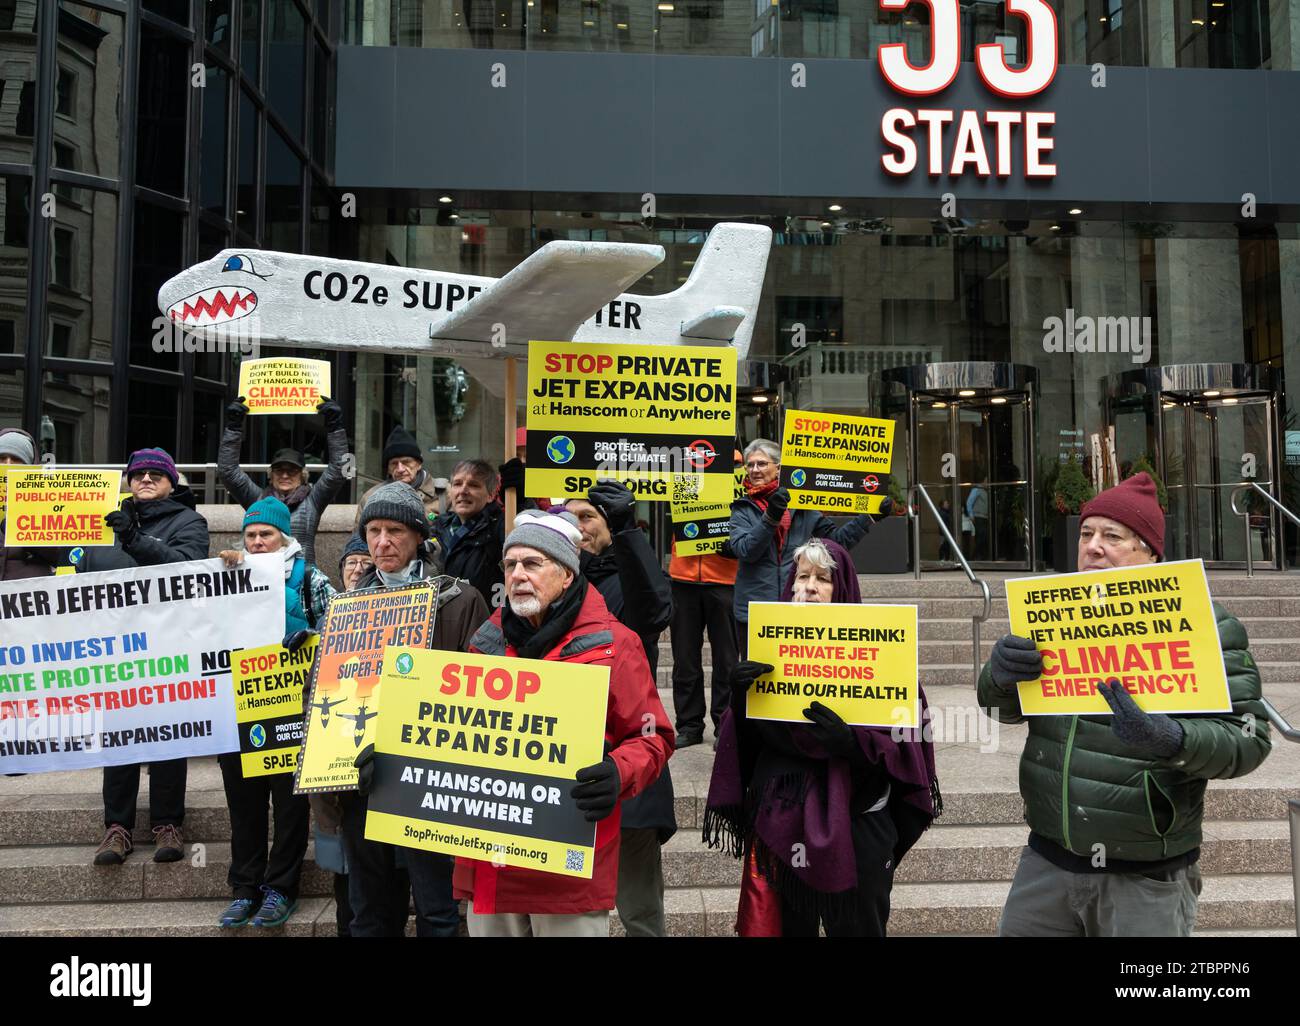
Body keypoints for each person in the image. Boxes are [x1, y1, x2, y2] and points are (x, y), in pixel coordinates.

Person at [980, 473, 1272, 937]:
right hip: (1046, 862)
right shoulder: (1050, 614)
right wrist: (997, 678)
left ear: (1150, 553)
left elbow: (1248, 741)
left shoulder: (1206, 624)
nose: (1093, 546)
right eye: (1086, 533)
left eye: (1111, 536)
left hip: (1144, 878)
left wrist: (1173, 738)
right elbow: (1001, 713)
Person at [453, 508, 674, 937]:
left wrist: (616, 772)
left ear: (567, 575)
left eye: (532, 564)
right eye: (511, 564)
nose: (518, 574)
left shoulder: (616, 645)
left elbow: (654, 738)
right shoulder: (484, 643)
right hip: (492, 855)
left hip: (568, 857)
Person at [704, 537, 939, 937]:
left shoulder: (887, 660)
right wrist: (741, 702)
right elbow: (741, 751)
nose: (808, 587)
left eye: (822, 578)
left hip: (859, 826)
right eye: (801, 577)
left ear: (842, 588)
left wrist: (855, 745)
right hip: (782, 823)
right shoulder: (765, 658)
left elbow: (907, 752)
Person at [345, 483, 489, 936]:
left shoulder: (462, 600)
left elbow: (481, 688)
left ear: (418, 537)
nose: (382, 542)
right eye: (373, 531)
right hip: (362, 774)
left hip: (429, 774)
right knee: (368, 909)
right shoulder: (347, 605)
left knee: (435, 908)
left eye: (393, 531)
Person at [80, 448, 210, 866]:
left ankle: (168, 823)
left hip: (168, 648)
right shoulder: (102, 524)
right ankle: (116, 828)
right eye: (138, 474)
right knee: (118, 740)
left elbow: (187, 568)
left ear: (173, 482)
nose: (146, 479)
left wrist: (136, 540)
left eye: (157, 473)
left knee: (169, 737)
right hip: (115, 650)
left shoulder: (190, 522)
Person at [214, 498, 335, 927]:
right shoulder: (226, 575)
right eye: (251, 535)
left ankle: (280, 888)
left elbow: (341, 631)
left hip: (291, 712)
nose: (259, 542)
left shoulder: (312, 581)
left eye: (266, 535)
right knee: (243, 806)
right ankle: (244, 888)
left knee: (288, 808)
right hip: (237, 712)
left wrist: (312, 637)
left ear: (283, 538)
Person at [564, 482, 676, 938]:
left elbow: (653, 611)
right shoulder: (549, 584)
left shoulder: (627, 573)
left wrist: (629, 530)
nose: (579, 526)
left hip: (628, 761)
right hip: (563, 764)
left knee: (640, 912)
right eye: (570, 518)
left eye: (589, 516)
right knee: (566, 911)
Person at [728, 439, 888, 658]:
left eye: (762, 464)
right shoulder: (742, 508)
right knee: (757, 681)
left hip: (797, 606)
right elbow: (746, 550)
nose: (755, 470)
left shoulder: (803, 506)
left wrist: (868, 518)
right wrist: (771, 517)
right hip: (754, 611)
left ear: (779, 468)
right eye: (750, 465)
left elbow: (836, 545)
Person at [219, 395, 349, 568]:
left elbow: (339, 471)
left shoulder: (313, 500)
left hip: (301, 580)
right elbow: (227, 471)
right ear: (270, 476)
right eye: (279, 470)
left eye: (292, 471)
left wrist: (335, 428)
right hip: (261, 580)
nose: (285, 475)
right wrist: (233, 427)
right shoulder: (258, 500)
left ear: (303, 476)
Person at [429, 458, 505, 608]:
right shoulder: (437, 529)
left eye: (473, 485)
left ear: (490, 495)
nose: (463, 491)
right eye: (457, 484)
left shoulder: (500, 528)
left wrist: (522, 503)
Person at [0, 428, 63, 580]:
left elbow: (62, 555)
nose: (8, 464)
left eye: (16, 459)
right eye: (2, 458)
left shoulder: (50, 498)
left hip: (29, 595)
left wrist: (23, 532)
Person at [354, 426, 441, 529]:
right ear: (388, 469)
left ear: (419, 464)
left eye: (406, 462)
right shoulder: (371, 498)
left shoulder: (444, 493)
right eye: (394, 463)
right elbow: (357, 541)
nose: (400, 469)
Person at [965, 484, 989, 561]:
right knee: (980, 537)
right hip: (978, 517)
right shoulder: (977, 489)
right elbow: (969, 502)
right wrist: (971, 515)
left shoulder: (987, 491)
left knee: (984, 537)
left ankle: (981, 556)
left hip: (985, 517)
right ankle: (974, 556)